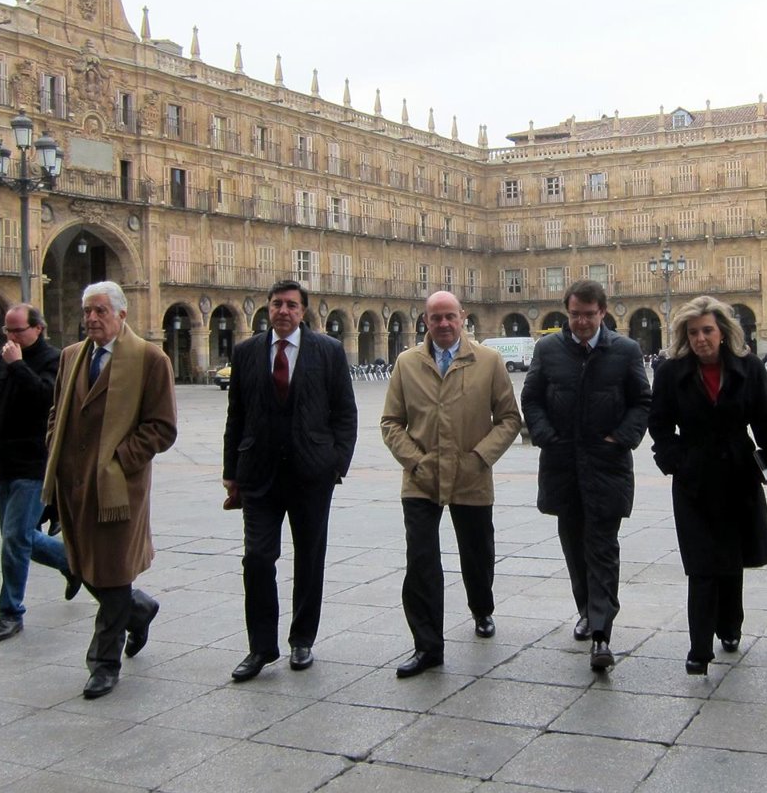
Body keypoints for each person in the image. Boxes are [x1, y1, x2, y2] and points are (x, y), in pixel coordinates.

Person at [43, 282, 177, 700]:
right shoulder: (71, 357)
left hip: (120, 489)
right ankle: (139, 610)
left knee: (115, 572)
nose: (92, 319)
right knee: (83, 566)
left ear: (121, 314)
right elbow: (56, 411)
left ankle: (103, 663)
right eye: (87, 311)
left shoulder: (150, 359)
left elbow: (162, 427)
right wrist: (54, 446)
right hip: (74, 484)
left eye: (100, 311)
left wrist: (120, 460)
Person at [648, 296, 767, 675]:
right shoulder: (670, 372)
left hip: (738, 474)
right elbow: (659, 425)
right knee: (701, 563)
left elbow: (764, 417)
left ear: (723, 332)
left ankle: (730, 625)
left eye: (707, 330)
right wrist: (674, 460)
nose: (700, 339)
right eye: (693, 332)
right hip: (693, 477)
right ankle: (699, 648)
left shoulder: (749, 367)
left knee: (731, 558)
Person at [381, 291, 522, 678]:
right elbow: (391, 422)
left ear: (463, 318)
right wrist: (415, 460)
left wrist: (479, 458)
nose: (443, 324)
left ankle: (482, 607)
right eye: (435, 318)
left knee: (477, 553)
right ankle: (427, 646)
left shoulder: (488, 361)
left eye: (450, 317)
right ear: (425, 321)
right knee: (422, 561)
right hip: (421, 478)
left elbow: (509, 418)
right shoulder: (407, 363)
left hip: (471, 475)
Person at [222, 281, 357, 682]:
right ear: (267, 308)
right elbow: (236, 416)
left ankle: (302, 639)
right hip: (259, 474)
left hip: (311, 474)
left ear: (304, 312)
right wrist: (231, 472)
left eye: (292, 305)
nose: (283, 311)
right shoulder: (247, 352)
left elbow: (344, 413)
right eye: (277, 304)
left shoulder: (328, 351)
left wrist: (336, 465)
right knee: (257, 558)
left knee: (309, 558)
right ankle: (261, 647)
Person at [521, 281, 651, 671]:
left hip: (606, 463)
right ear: (567, 311)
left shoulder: (625, 350)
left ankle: (601, 633)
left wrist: (621, 438)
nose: (580, 321)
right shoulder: (548, 349)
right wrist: (545, 436)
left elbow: (642, 401)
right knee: (574, 546)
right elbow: (531, 397)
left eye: (588, 314)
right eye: (574, 313)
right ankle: (586, 609)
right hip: (563, 464)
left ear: (603, 313)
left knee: (602, 547)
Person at [0, 304, 78, 644]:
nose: (11, 337)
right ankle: (72, 561)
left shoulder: (53, 360)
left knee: (15, 538)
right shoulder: (0, 361)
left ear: (38, 328)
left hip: (33, 464)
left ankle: (10, 612)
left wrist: (18, 366)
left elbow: (45, 398)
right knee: (19, 538)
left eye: (18, 330)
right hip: (2, 463)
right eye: (7, 330)